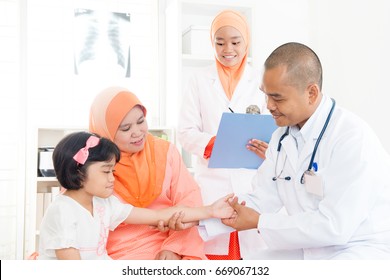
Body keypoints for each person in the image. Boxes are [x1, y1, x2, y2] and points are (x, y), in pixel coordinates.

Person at [221, 42, 390, 259]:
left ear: (311, 93)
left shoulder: (352, 138)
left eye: (278, 97)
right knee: (250, 268)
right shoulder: (281, 137)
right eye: (266, 95)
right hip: (311, 245)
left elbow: (334, 226)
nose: (269, 105)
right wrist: (211, 213)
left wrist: (260, 221)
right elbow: (262, 198)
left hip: (359, 247)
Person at [38, 131, 234, 260]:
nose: (112, 178)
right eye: (106, 171)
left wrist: (210, 211)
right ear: (78, 172)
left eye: (113, 171)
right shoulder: (63, 212)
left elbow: (159, 216)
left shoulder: (104, 204)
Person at [177, 9, 269, 259]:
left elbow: (274, 126)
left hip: (251, 180)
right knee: (216, 251)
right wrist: (213, 143)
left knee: (253, 254)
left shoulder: (260, 80)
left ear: (246, 42)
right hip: (213, 181)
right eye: (220, 42)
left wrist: (266, 146)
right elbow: (185, 131)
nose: (228, 49)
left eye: (235, 42)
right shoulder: (198, 79)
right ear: (212, 43)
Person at [89, 87, 207, 260]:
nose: (137, 132)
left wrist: (174, 248)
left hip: (169, 242)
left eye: (141, 121)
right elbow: (75, 214)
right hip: (114, 251)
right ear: (105, 131)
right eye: (126, 128)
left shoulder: (165, 152)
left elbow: (189, 201)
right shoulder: (90, 165)